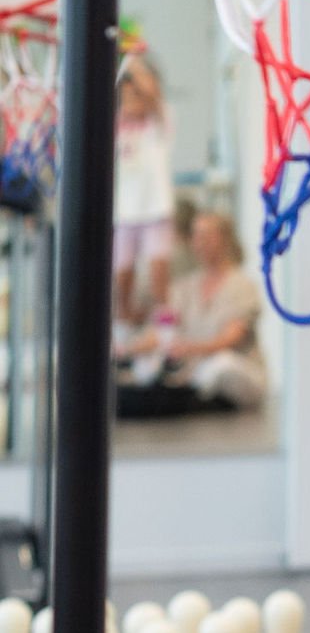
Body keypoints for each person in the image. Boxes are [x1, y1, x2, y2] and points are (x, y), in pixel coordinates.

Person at [115, 206, 267, 418]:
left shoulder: (242, 286)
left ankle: (194, 398)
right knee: (147, 366)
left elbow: (232, 337)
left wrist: (190, 348)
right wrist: (126, 350)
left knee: (222, 365)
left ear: (224, 239)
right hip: (194, 372)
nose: (199, 242)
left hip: (228, 370)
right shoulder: (184, 288)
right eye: (195, 235)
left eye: (205, 235)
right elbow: (160, 333)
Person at [112, 42, 176, 331]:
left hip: (155, 207)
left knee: (158, 270)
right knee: (122, 274)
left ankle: (165, 327)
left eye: (137, 95)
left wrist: (132, 58)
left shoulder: (158, 121)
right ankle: (122, 325)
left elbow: (151, 93)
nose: (133, 100)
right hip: (124, 210)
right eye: (128, 96)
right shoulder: (114, 124)